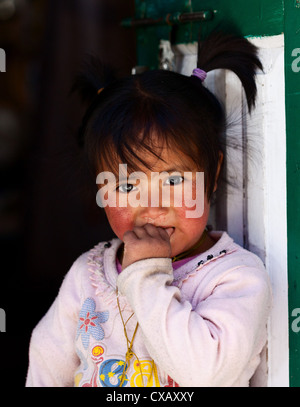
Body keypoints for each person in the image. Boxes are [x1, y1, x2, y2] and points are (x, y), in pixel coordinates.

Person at [26, 33, 271, 387]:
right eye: (127, 187)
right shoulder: (88, 277)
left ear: (213, 175)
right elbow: (45, 369)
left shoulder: (234, 279)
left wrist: (145, 275)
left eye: (173, 181)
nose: (153, 207)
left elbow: (205, 373)